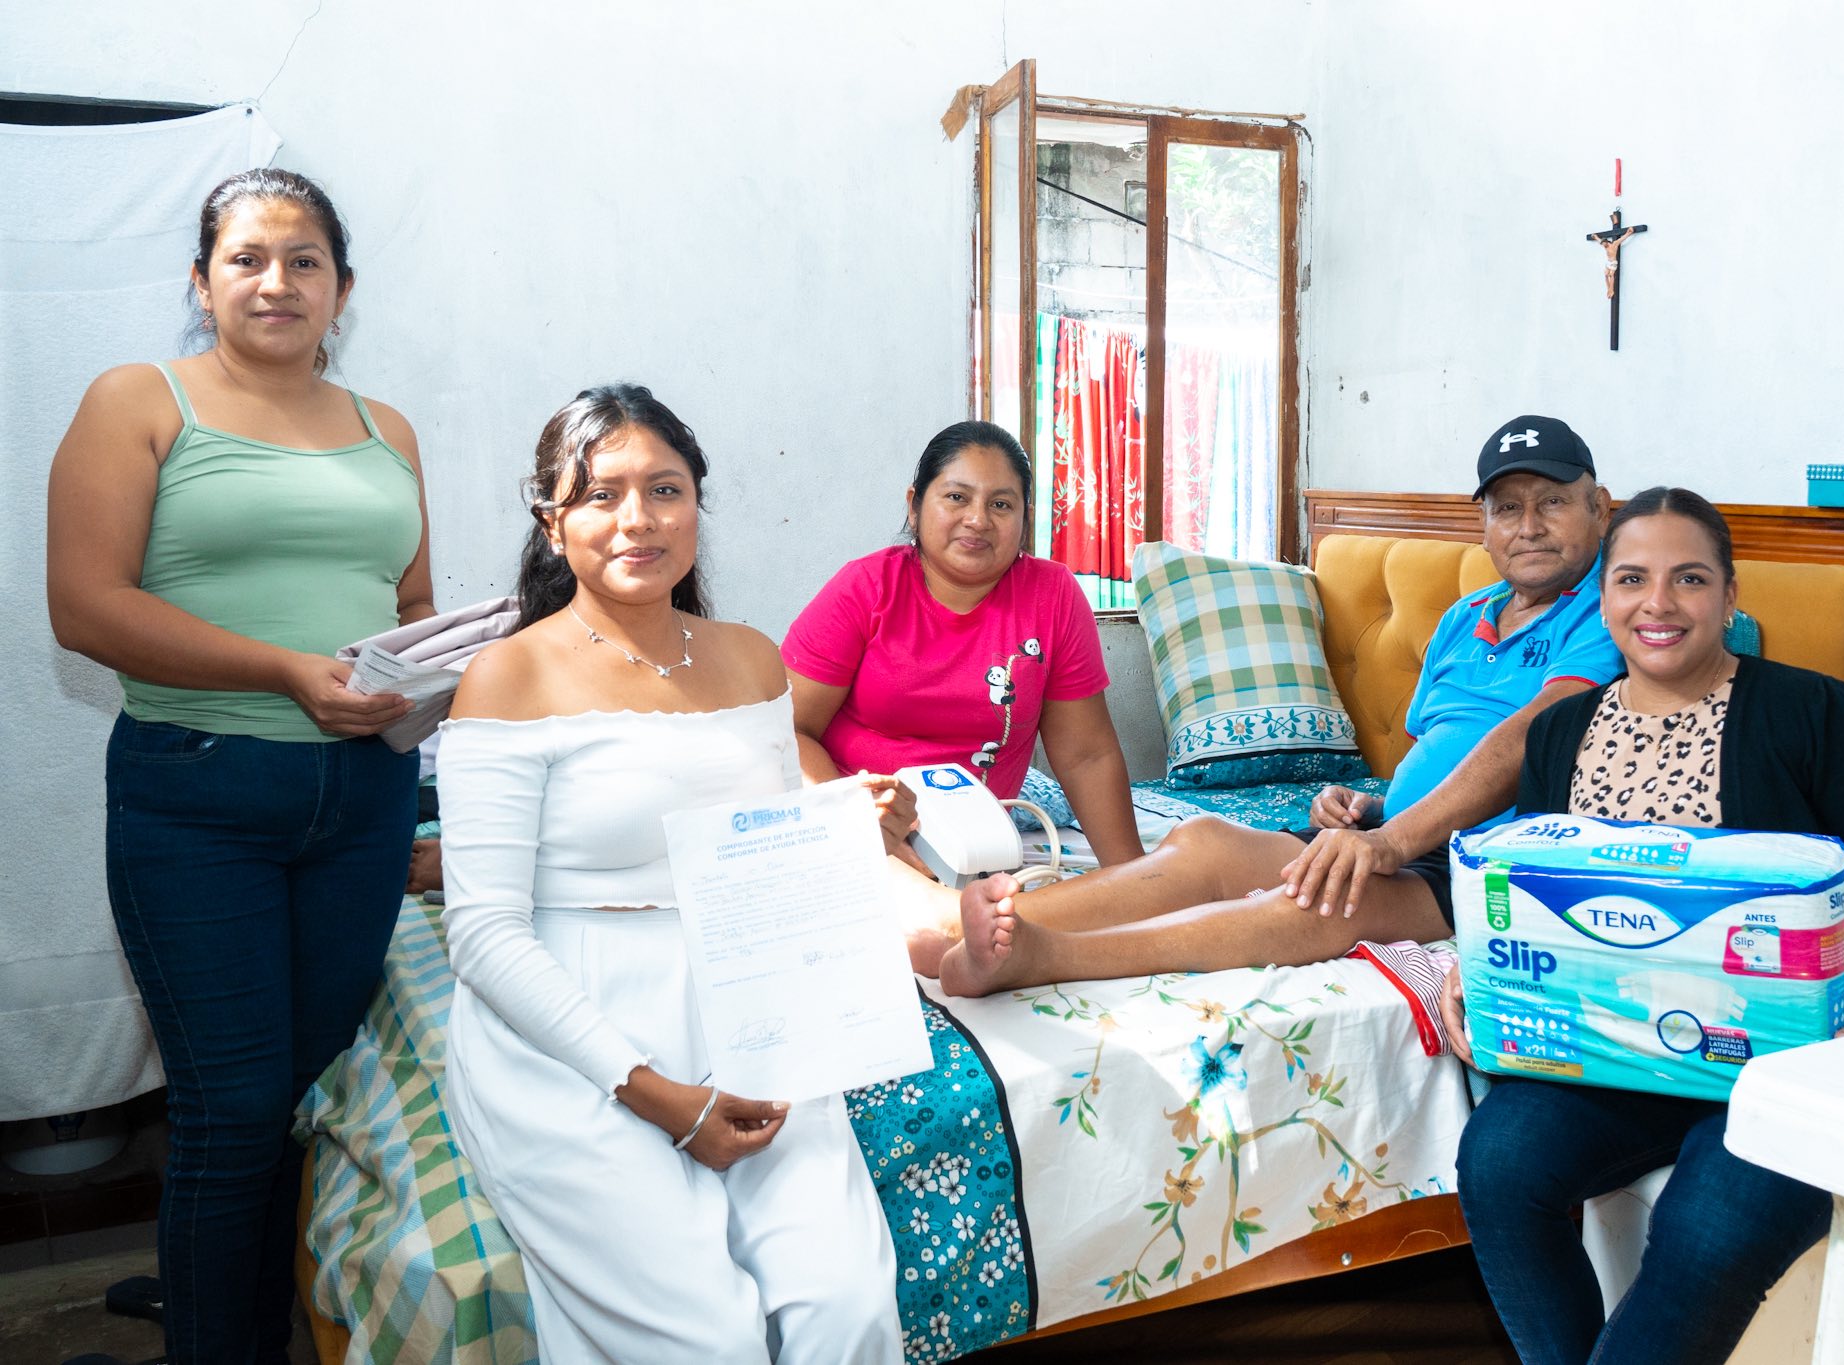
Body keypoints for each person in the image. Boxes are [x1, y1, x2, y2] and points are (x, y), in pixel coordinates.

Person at [45, 168, 432, 1363]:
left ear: (342, 289)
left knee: (295, 1096)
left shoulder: (387, 430)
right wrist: (284, 671)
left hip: (363, 804)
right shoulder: (140, 400)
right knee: (231, 1108)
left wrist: (429, 674)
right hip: (198, 797)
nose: (277, 282)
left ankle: (244, 1320)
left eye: (304, 260)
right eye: (248, 258)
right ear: (201, 282)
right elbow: (84, 606)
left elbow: (412, 604)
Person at [1445, 487, 1844, 1365]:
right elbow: (1528, 886)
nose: (1658, 602)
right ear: (1602, 599)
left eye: (1689, 578)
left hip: (1780, 1069)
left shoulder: (1817, 712)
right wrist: (1479, 969)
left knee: (1708, 1222)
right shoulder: (1560, 733)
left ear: (1730, 596)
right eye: (1632, 579)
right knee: (1498, 1162)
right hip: (1610, 1054)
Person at [437, 385, 903, 1363]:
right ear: (551, 522)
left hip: (746, 999)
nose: (637, 519)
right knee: (707, 1340)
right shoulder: (507, 679)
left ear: (697, 504)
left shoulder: (751, 659)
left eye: (665, 489)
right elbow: (481, 934)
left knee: (845, 1306)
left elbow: (770, 843)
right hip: (574, 1028)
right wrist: (655, 1093)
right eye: (600, 494)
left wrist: (852, 827)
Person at [936, 415, 1623, 997]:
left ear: (1600, 507)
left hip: (1477, 864)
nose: (1528, 527)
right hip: (1397, 835)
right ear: (1484, 525)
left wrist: (1392, 840)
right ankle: (949, 935)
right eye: (1507, 508)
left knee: (1310, 903)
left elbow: (1530, 737)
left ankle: (1045, 955)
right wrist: (1371, 808)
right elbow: (1428, 755)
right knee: (1204, 841)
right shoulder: (1467, 615)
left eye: (1552, 503)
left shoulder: (1611, 610)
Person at [783, 420, 1145, 867]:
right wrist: (857, 824)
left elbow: (1086, 756)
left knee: (1179, 869)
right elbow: (788, 732)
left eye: (1001, 504)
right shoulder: (866, 587)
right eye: (957, 497)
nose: (977, 519)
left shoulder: (1053, 596)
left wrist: (1135, 878)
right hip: (858, 838)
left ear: (1025, 520)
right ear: (915, 506)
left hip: (977, 853)